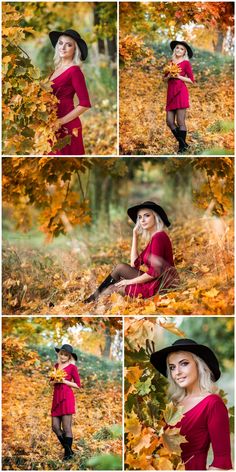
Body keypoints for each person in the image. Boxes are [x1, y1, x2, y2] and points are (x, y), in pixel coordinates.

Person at [150, 338, 233, 470]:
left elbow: (222, 463)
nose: (177, 372)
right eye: (172, 367)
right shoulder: (173, 405)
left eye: (184, 364)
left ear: (199, 365)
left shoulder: (212, 404)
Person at [84, 201, 179, 303]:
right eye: (140, 217)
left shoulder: (159, 237)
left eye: (147, 216)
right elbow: (134, 264)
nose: (142, 220)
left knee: (114, 288)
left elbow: (154, 273)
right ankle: (94, 298)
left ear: (155, 217)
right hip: (157, 281)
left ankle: (92, 301)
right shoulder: (154, 238)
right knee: (119, 269)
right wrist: (135, 236)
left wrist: (129, 281)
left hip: (162, 285)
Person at [48, 29, 91, 155]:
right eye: (60, 43)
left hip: (67, 126)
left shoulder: (74, 71)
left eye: (69, 44)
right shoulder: (55, 70)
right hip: (50, 125)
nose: (63, 47)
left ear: (75, 49)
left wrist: (60, 122)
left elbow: (85, 104)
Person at [50, 344, 81, 460]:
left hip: (67, 397)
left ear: (69, 357)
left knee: (67, 428)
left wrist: (64, 381)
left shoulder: (72, 368)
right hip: (57, 397)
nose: (63, 356)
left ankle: (67, 455)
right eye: (61, 354)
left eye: (65, 355)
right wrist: (55, 380)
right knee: (55, 426)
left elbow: (78, 385)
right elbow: (50, 383)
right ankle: (69, 451)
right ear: (59, 354)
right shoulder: (56, 365)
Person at [165, 40, 194, 154]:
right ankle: (184, 145)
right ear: (174, 49)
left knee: (180, 121)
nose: (179, 50)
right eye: (177, 48)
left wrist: (178, 76)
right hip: (171, 93)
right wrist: (169, 76)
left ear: (184, 52)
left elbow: (191, 80)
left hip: (181, 92)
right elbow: (164, 78)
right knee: (169, 121)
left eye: (182, 49)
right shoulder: (170, 62)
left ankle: (182, 148)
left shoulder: (186, 63)